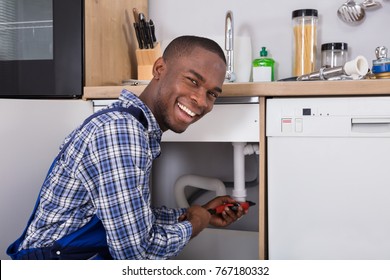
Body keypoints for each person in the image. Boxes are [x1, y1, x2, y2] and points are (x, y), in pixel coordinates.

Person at [7, 35, 247, 260]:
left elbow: (128, 219)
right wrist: (194, 224)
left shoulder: (134, 127)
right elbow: (135, 256)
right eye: (193, 81)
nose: (202, 101)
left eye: (212, 94)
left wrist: (200, 212)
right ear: (159, 69)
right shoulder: (121, 132)